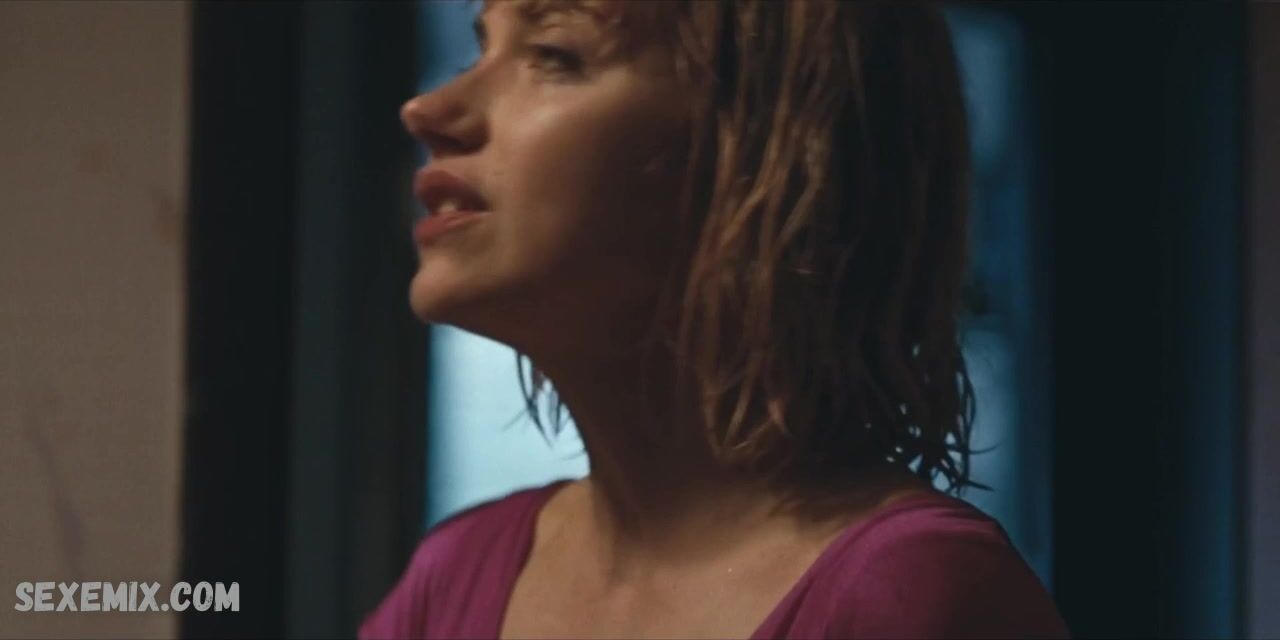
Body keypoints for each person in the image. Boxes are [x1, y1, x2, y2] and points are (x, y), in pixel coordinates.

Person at [363, 0, 1069, 637]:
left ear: (769, 150)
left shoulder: (911, 598)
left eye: (554, 54)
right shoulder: (451, 576)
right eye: (478, 51)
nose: (429, 109)